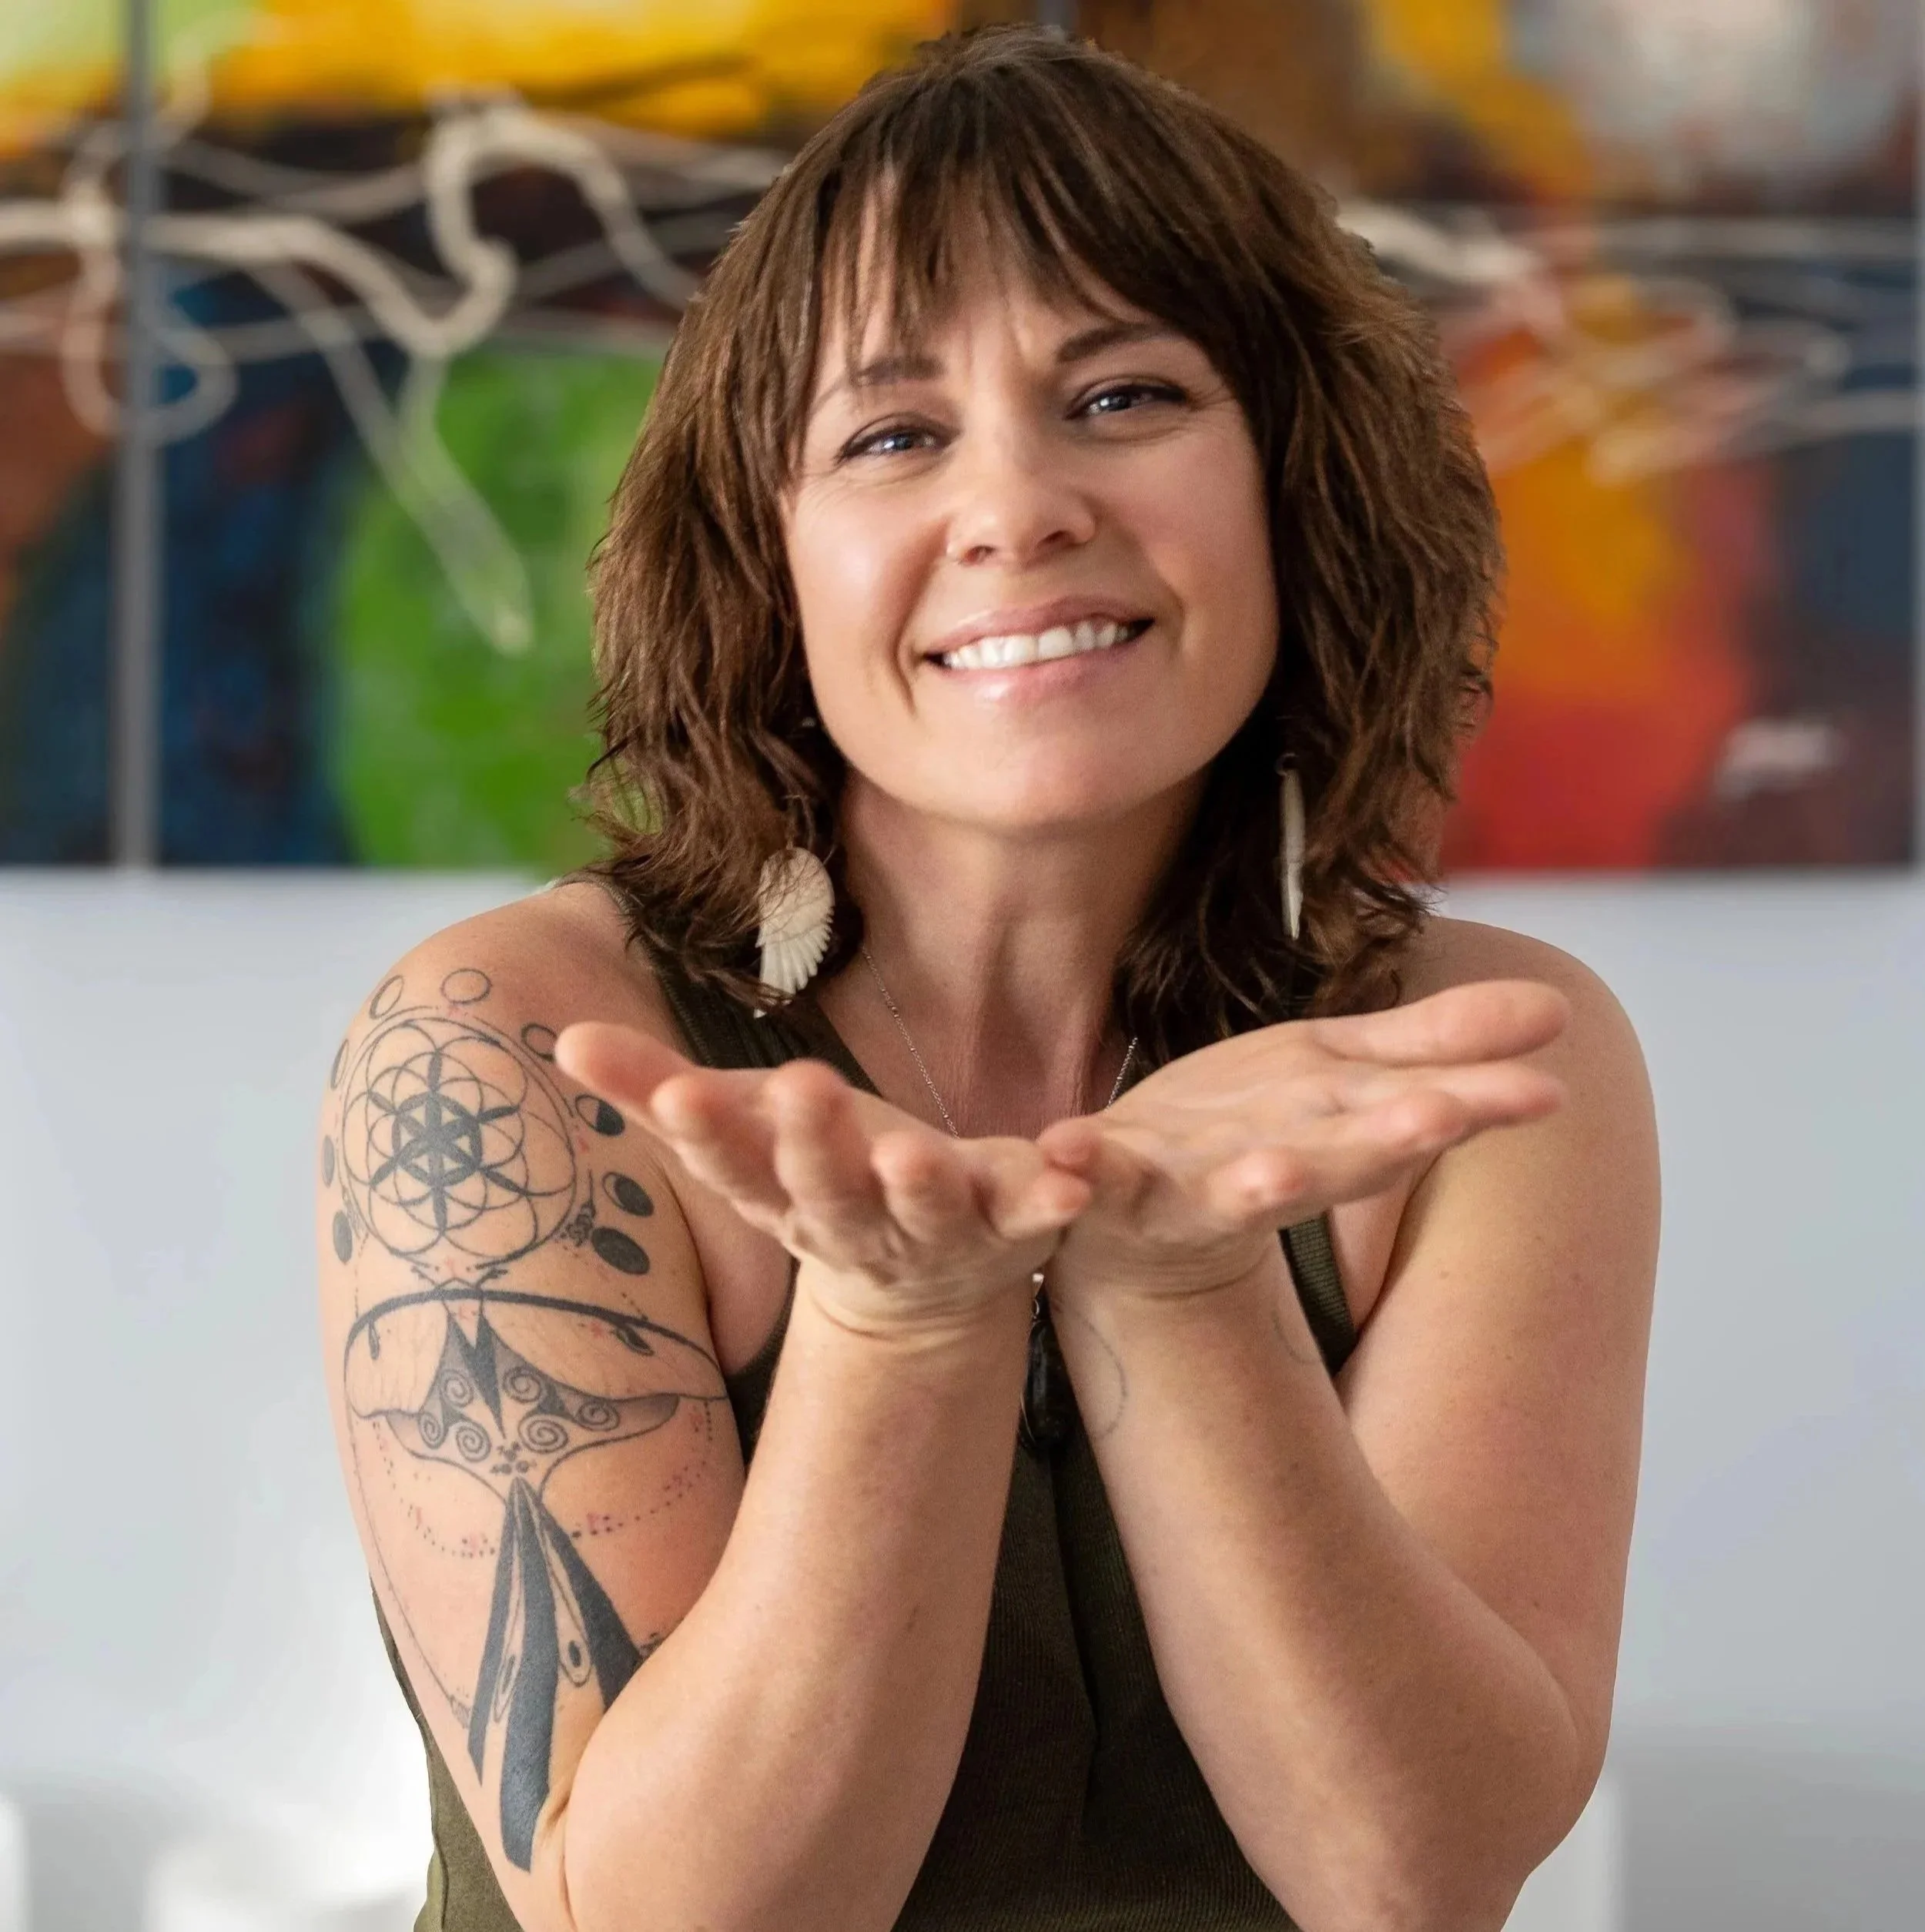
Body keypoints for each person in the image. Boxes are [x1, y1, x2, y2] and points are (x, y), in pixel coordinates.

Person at [316, 25, 1658, 1932]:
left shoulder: (1472, 1068)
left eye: (1122, 396)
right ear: (767, 560)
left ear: (1294, 486)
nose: (1016, 506)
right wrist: (898, 1328)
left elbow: (1408, 1875)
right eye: (889, 433)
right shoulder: (503, 1051)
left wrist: (1184, 1286)